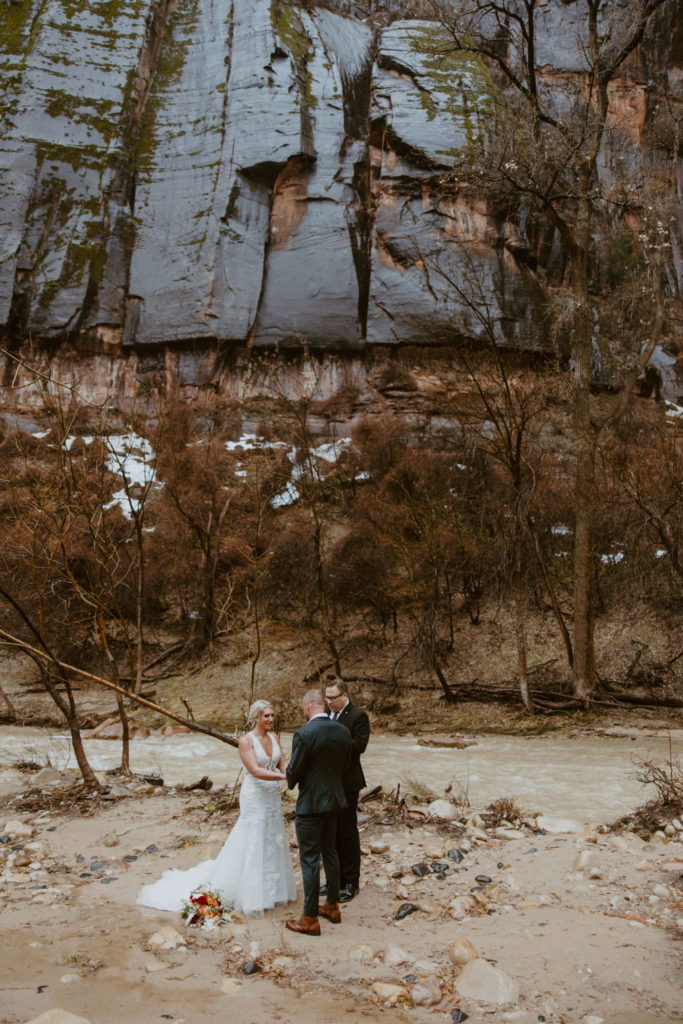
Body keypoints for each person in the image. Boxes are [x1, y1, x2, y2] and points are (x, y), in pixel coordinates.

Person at [136, 699, 296, 918]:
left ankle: (273, 890)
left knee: (273, 836)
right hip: (255, 795)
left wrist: (291, 772)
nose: (270, 719)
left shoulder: (275, 738)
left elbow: (283, 763)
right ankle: (251, 893)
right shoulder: (246, 741)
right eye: (266, 716)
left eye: (272, 716)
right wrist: (283, 776)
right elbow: (255, 770)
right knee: (255, 836)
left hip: (272, 796)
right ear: (256, 717)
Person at [285, 688, 352, 936]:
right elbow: (344, 766)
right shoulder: (342, 730)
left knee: (310, 859)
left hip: (311, 805)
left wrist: (290, 778)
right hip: (335, 801)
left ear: (307, 706)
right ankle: (333, 905)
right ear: (322, 705)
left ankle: (310, 917)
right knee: (331, 853)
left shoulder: (304, 734)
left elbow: (295, 770)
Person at [323, 678, 370, 902]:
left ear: (344, 696)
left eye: (333, 698)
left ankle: (351, 881)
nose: (329, 702)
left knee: (347, 831)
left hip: (348, 782)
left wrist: (332, 739)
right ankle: (335, 879)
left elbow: (359, 746)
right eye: (327, 698)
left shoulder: (358, 716)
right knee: (330, 832)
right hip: (327, 781)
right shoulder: (325, 712)